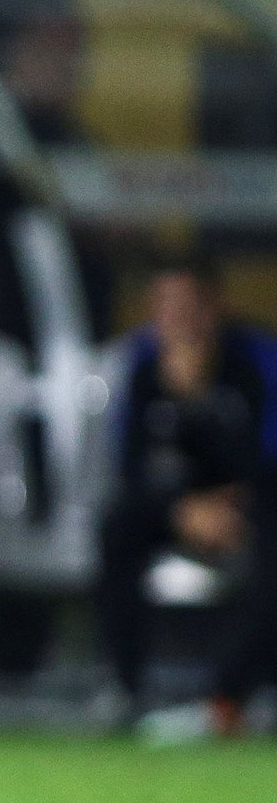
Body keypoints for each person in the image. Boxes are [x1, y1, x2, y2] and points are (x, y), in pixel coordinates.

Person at [98, 252, 277, 742]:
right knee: (118, 528)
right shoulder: (142, 364)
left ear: (213, 306)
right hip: (177, 506)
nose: (177, 319)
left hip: (250, 502)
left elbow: (265, 457)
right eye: (165, 306)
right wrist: (181, 509)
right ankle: (125, 687)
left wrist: (197, 400)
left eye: (188, 305)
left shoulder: (256, 361)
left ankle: (227, 698)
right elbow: (131, 463)